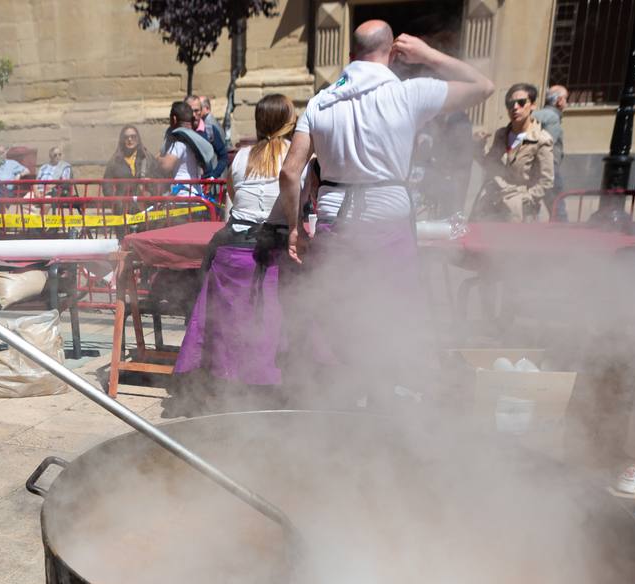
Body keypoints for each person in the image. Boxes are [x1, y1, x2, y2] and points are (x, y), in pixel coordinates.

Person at [276, 20, 492, 398]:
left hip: (333, 221)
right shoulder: (409, 94)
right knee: (391, 315)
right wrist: (427, 54)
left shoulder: (320, 103)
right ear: (392, 53)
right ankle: (382, 408)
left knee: (333, 317)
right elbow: (483, 86)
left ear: (349, 57)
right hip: (388, 221)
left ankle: (332, 405)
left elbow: (290, 173)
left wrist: (295, 228)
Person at [175, 94, 299, 395]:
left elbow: (233, 194)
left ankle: (220, 385)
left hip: (230, 251)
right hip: (267, 252)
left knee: (225, 322)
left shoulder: (240, 156)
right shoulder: (294, 157)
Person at [470, 83, 554, 222]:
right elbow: (489, 165)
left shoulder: (541, 139)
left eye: (521, 103)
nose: (515, 108)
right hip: (492, 205)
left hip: (521, 212)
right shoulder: (501, 134)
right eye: (510, 104)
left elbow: (546, 181)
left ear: (532, 105)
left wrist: (525, 200)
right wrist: (478, 145)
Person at [155, 100, 216, 192]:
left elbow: (166, 166)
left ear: (174, 119)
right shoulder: (194, 140)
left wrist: (158, 158)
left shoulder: (179, 141)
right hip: (196, 193)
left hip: (183, 196)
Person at [533, 85, 567, 220]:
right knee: (557, 207)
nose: (566, 103)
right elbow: (547, 146)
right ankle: (561, 236)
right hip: (548, 168)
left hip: (531, 166)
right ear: (559, 100)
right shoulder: (553, 118)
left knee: (532, 206)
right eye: (565, 99)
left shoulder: (536, 114)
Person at [103, 126, 158, 194]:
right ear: (122, 140)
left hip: (145, 202)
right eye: (126, 137)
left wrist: (150, 182)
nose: (129, 139)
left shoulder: (147, 158)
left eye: (133, 136)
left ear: (138, 139)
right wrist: (116, 201)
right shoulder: (115, 161)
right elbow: (106, 186)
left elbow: (159, 178)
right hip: (123, 203)